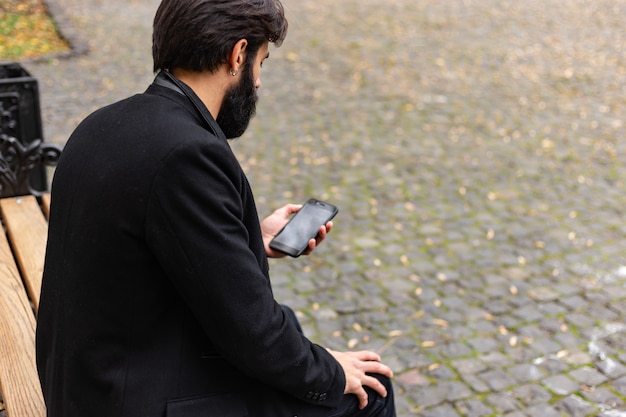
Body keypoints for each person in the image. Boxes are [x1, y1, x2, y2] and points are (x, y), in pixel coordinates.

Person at [35, 0, 396, 416]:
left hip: (93, 376)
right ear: (237, 55)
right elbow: (254, 332)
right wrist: (332, 374)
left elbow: (152, 248)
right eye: (261, 62)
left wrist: (251, 241)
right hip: (125, 398)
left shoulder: (103, 123)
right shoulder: (186, 153)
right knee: (372, 393)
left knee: (291, 325)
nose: (258, 82)